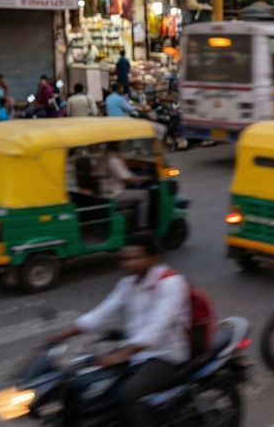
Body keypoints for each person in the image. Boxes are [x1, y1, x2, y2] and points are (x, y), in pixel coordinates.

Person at [44, 233, 189, 426]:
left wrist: (121, 355)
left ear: (153, 258)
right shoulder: (128, 284)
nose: (127, 263)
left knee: (127, 395)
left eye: (135, 258)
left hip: (164, 355)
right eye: (125, 258)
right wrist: (63, 335)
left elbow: (157, 326)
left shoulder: (171, 283)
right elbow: (101, 313)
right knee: (78, 384)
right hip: (135, 353)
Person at [97, 141, 153, 229]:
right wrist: (147, 178)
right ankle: (142, 226)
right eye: (119, 144)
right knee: (145, 194)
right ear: (116, 145)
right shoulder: (113, 159)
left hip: (104, 191)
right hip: (114, 194)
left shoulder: (102, 156)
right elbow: (128, 179)